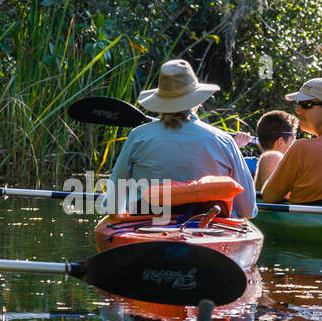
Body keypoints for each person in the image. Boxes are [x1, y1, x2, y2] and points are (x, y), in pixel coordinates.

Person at [105, 59, 257, 218]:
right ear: (197, 101)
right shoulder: (224, 141)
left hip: (146, 227)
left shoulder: (137, 136)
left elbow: (113, 203)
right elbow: (248, 210)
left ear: (160, 102)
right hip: (209, 228)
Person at [252, 110, 298, 191]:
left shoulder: (264, 161)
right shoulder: (271, 158)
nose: (295, 143)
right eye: (293, 138)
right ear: (280, 142)